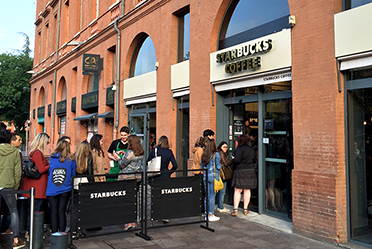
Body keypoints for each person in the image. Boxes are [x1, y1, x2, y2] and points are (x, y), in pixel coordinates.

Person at [0, 129, 26, 248]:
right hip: (9, 185)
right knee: (13, 211)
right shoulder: (15, 152)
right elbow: (17, 172)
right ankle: (16, 240)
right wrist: (16, 188)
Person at [46, 140, 76, 233]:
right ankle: (62, 234)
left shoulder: (52, 158)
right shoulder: (71, 160)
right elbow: (73, 174)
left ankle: (54, 233)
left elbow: (50, 172)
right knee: (61, 212)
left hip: (52, 189)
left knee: (53, 212)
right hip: (65, 188)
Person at [115, 135, 144, 230]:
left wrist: (118, 157)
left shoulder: (130, 153)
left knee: (127, 200)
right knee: (134, 199)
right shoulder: (141, 152)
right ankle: (135, 219)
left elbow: (121, 165)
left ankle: (129, 221)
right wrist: (124, 154)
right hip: (137, 178)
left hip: (127, 179)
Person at [22, 133, 50, 224]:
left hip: (34, 186)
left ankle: (32, 232)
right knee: (36, 210)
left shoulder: (34, 152)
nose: (47, 144)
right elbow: (41, 169)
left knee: (35, 210)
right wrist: (51, 165)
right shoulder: (37, 153)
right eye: (47, 142)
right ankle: (32, 232)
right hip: (37, 187)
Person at [71, 140, 93, 236]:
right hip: (85, 183)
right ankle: (81, 229)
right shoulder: (88, 158)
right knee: (84, 208)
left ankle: (73, 230)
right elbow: (90, 174)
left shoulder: (73, 156)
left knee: (75, 208)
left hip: (75, 182)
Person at [231, 134, 257, 216]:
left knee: (237, 190)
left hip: (240, 170)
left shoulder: (240, 149)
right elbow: (254, 160)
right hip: (250, 170)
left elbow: (237, 160)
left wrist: (233, 159)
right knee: (247, 190)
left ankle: (235, 209)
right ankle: (245, 209)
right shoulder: (251, 149)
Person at [201, 139, 221, 221]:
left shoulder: (204, 154)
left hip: (205, 175)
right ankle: (211, 214)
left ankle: (206, 214)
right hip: (213, 175)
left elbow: (202, 167)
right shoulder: (216, 154)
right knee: (212, 196)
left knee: (207, 195)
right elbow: (218, 166)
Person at [216, 141, 233, 213]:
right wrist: (232, 160)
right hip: (223, 175)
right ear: (220, 147)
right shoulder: (221, 154)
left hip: (220, 174)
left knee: (221, 191)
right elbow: (225, 163)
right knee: (222, 191)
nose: (226, 148)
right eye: (224, 147)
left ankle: (220, 206)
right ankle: (220, 207)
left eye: (226, 147)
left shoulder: (221, 153)